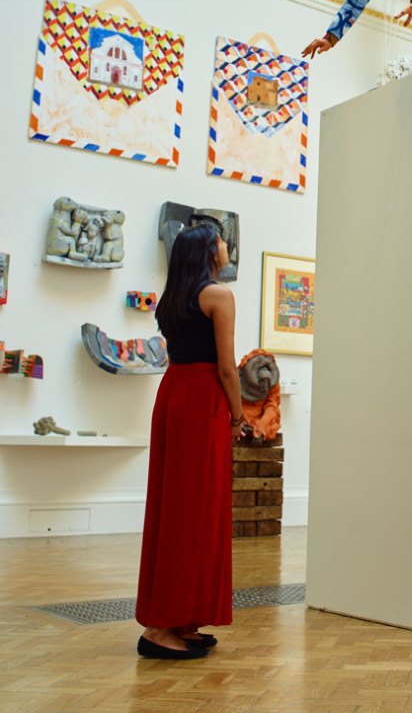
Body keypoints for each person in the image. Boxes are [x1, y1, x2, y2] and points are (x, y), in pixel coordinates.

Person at [135, 223, 244, 659]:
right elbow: (227, 368)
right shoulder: (219, 296)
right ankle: (161, 628)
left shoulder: (173, 299)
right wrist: (239, 415)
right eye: (220, 240)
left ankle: (181, 617)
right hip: (202, 403)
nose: (225, 245)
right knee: (196, 509)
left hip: (174, 395)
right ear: (207, 251)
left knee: (178, 507)